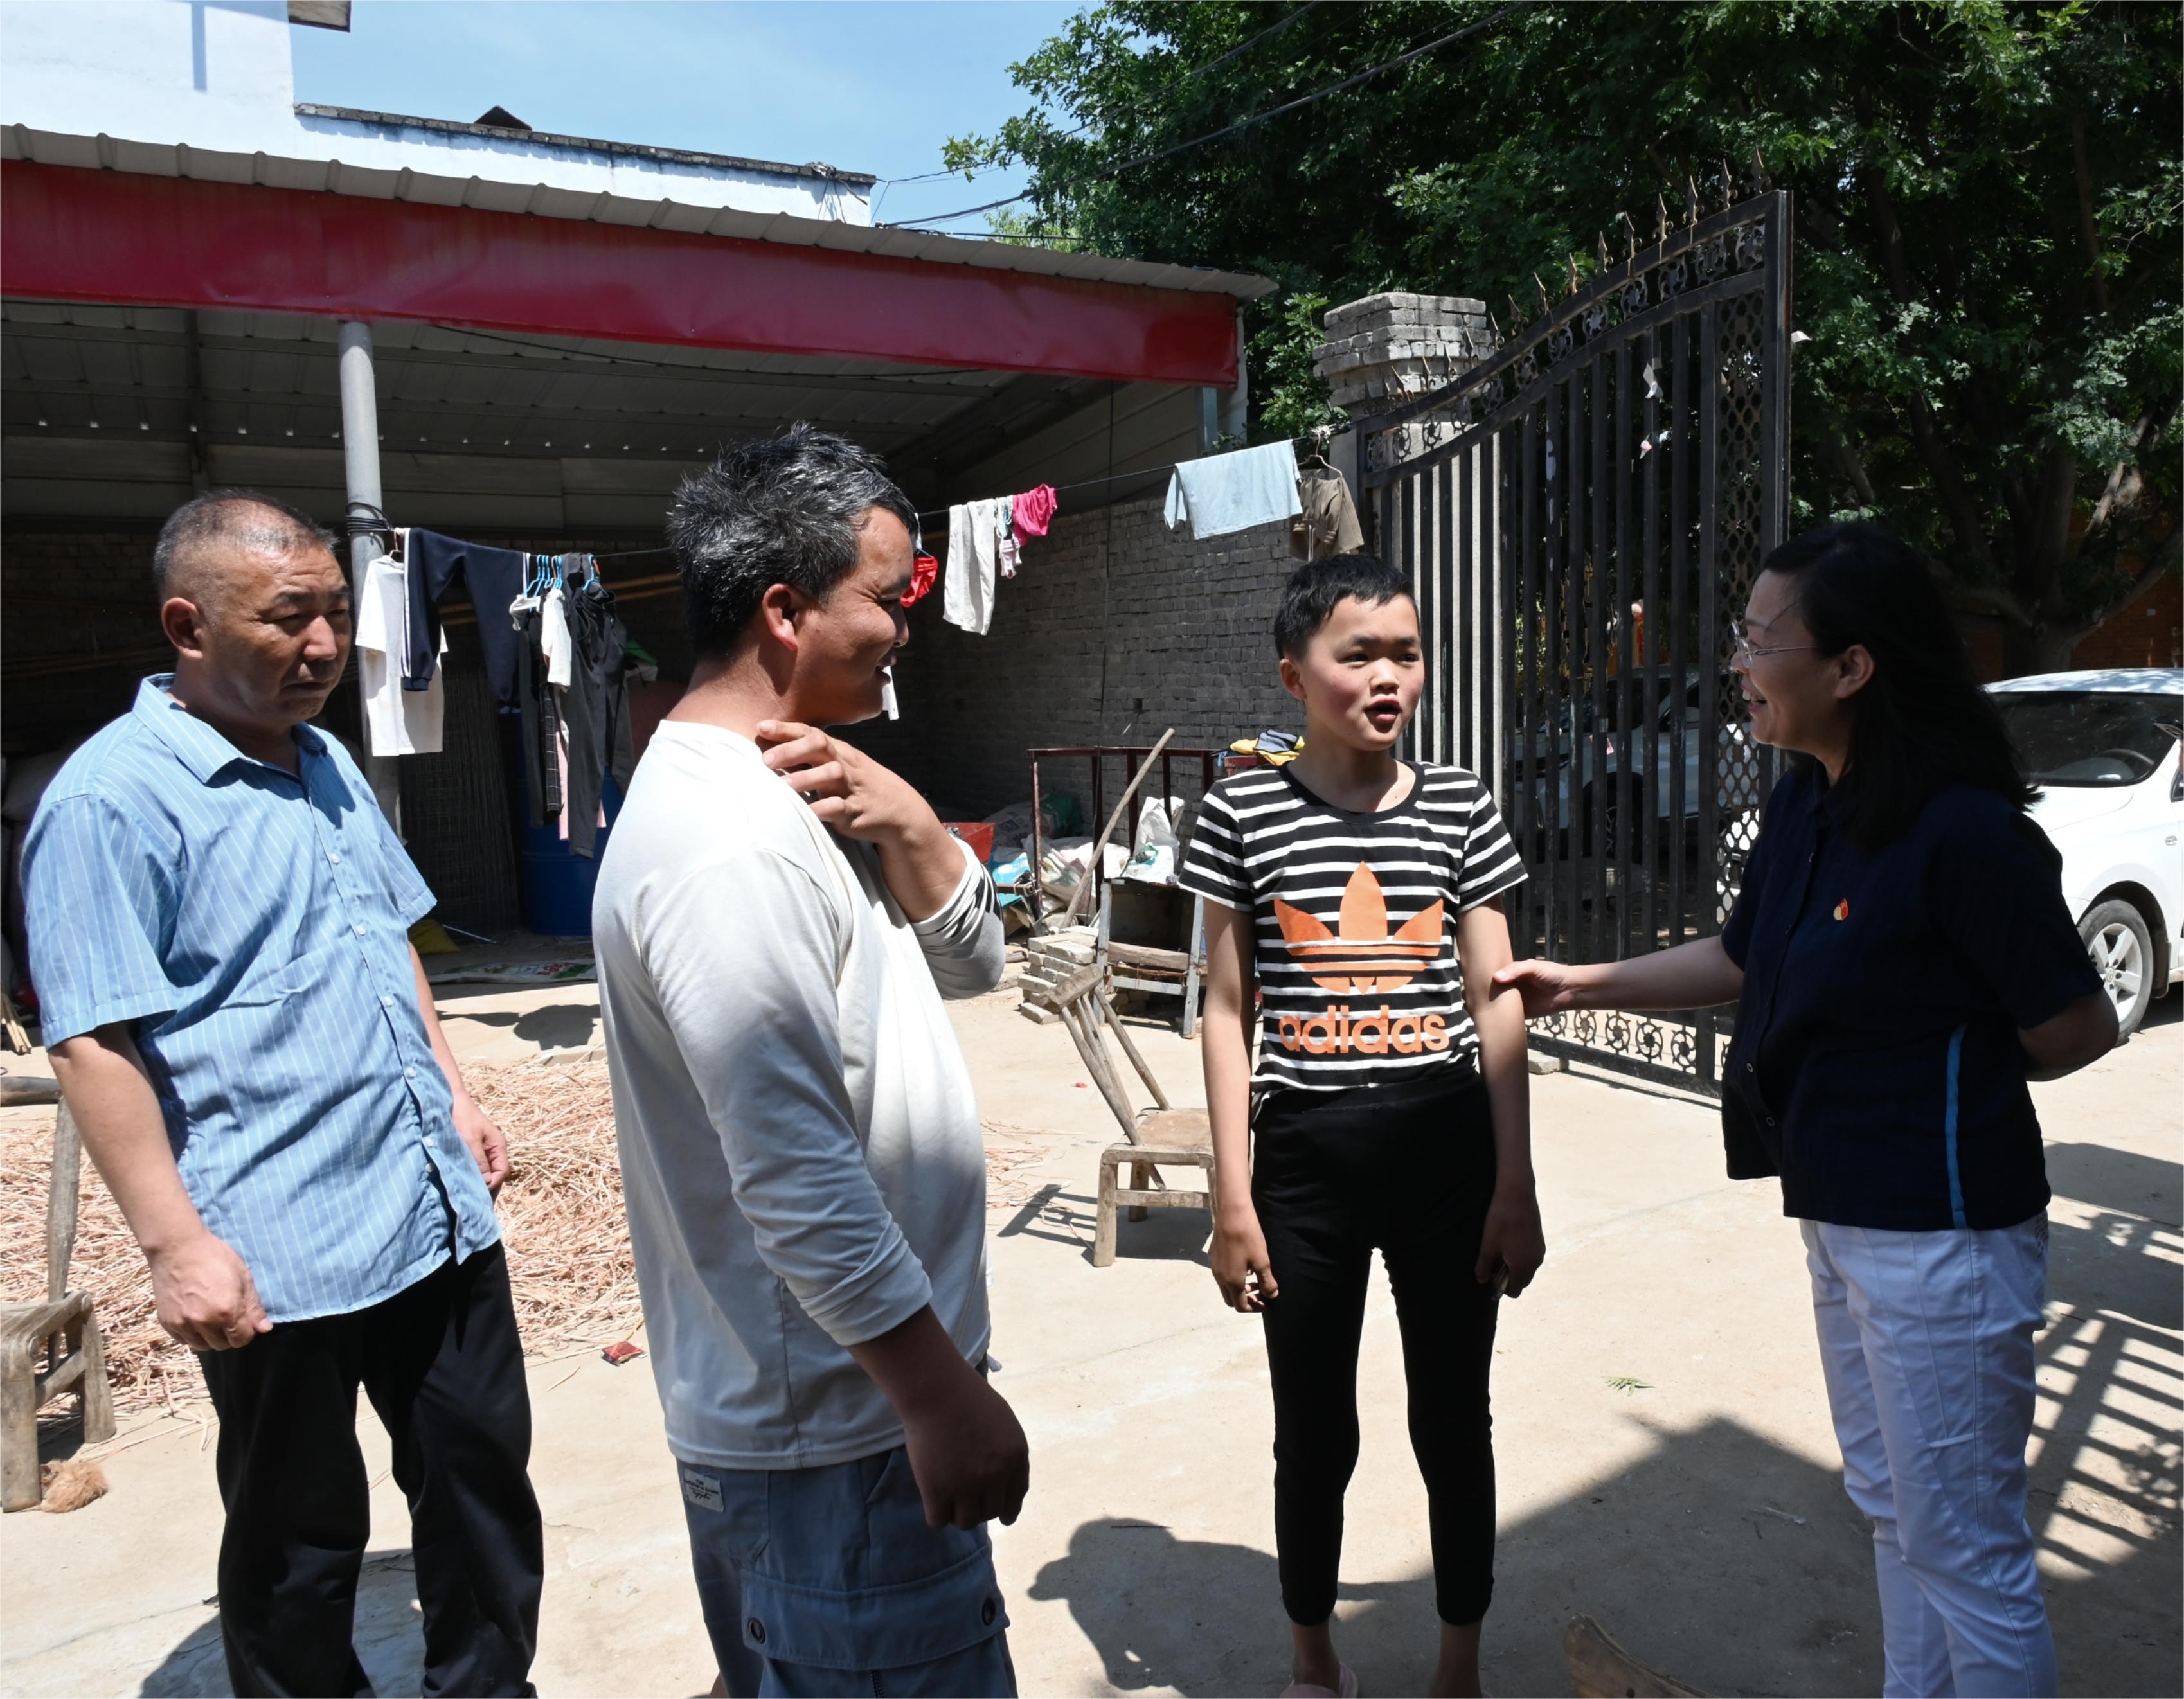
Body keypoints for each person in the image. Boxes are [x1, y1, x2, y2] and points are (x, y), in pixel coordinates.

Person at [1496, 523, 2117, 1699]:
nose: (1736, 663)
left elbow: (2074, 1027)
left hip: (1942, 1234)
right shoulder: (1806, 806)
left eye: (1756, 640)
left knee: (1965, 1550)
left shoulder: (1965, 834)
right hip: (1838, 1212)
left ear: (1850, 667)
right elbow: (1742, 955)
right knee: (1892, 1510)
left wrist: (1940, 1069)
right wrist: (1578, 983)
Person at [24, 490, 543, 1697]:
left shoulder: (325, 760)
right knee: (298, 1538)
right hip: (277, 1246)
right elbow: (92, 1041)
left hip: (428, 1205)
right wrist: (175, 1247)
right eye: (287, 618)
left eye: (337, 617)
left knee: (478, 1479)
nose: (322, 646)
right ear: (188, 627)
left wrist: (455, 1092)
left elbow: (389, 934)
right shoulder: (108, 803)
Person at [593, 423, 1026, 1698]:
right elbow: (794, 1174)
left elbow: (974, 966)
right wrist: (937, 1395)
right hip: (839, 1429)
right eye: (885, 598)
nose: (904, 628)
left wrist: (913, 825)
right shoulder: (728, 843)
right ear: (784, 612)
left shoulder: (799, 782)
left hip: (849, 1407)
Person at [1179, 553, 1541, 1699]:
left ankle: (1456, 1670)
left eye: (1406, 654)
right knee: (1312, 1434)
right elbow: (1226, 1010)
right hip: (1303, 1167)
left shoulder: (1459, 805)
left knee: (1454, 1423)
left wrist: (1516, 1185)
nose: (1388, 677)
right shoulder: (1239, 809)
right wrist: (1231, 1198)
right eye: (1358, 655)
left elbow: (1495, 1000)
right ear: (1294, 676)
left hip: (1448, 1158)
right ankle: (1313, 1664)